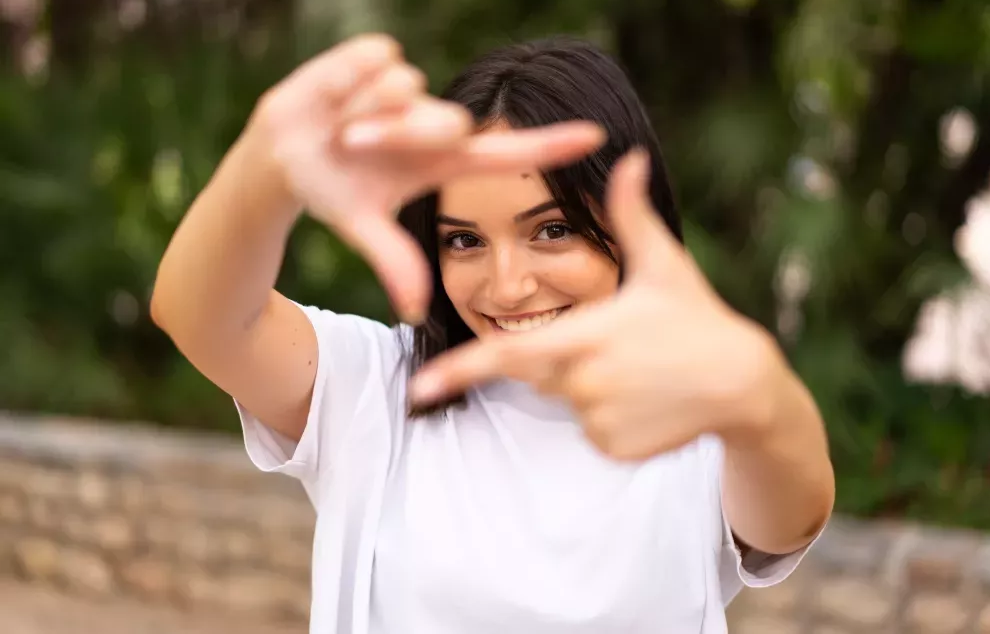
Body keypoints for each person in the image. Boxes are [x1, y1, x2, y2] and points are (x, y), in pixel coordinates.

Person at [151, 34, 835, 634]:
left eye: (552, 230)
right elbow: (200, 314)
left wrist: (757, 394)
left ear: (634, 220)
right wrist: (265, 170)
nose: (507, 286)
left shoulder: (705, 415)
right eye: (465, 240)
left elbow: (794, 515)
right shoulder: (377, 391)